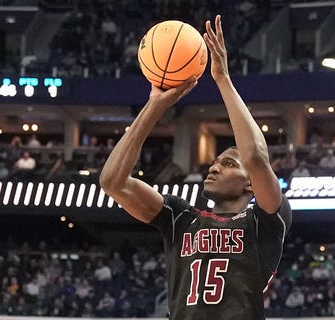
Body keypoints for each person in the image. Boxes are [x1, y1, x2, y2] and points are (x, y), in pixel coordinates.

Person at [100, 15, 291, 320]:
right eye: (215, 162)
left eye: (228, 164)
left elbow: (255, 157)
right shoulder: (180, 217)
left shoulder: (265, 221)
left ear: (250, 184)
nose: (214, 168)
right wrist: (155, 106)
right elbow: (112, 182)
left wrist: (223, 79)